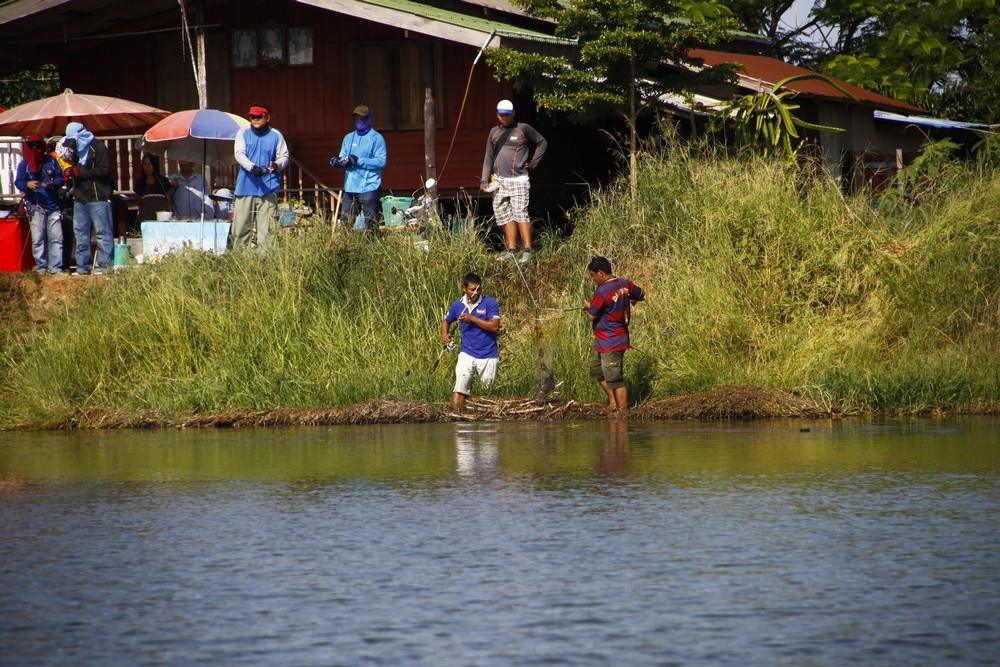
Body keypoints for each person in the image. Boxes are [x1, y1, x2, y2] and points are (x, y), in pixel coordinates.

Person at [480, 98, 547, 265]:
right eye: (502, 115)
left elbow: (542, 142)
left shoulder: (523, 129)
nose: (504, 118)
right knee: (503, 214)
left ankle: (527, 251)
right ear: (497, 115)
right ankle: (511, 250)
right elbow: (488, 157)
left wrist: (533, 163)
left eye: (507, 115)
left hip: (519, 179)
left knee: (520, 213)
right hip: (499, 180)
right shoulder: (493, 132)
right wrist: (484, 179)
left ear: (513, 114)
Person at [583, 256, 644, 416]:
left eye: (593, 276)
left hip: (612, 341)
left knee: (615, 379)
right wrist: (632, 298)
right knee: (597, 370)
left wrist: (588, 307)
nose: (593, 279)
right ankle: (613, 402)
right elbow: (641, 294)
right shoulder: (625, 283)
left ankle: (623, 412)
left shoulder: (602, 291)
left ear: (601, 273)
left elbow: (591, 315)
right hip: (604, 341)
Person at [441, 272, 501, 412]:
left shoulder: (489, 303)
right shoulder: (457, 305)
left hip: (489, 355)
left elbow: (494, 326)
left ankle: (484, 427)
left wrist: (472, 319)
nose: (475, 292)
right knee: (460, 387)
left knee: (487, 394)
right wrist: (445, 335)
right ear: (464, 288)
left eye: (478, 289)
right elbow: (446, 320)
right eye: (472, 289)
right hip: (467, 353)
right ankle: (457, 419)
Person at [233, 102, 289, 249]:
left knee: (268, 232)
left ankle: (266, 267)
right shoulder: (243, 133)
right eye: (252, 117)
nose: (255, 119)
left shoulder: (276, 135)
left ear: (267, 117)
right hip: (245, 187)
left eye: (259, 117)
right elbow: (239, 154)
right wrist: (252, 167)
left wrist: (277, 165)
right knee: (240, 230)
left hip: (268, 189)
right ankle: (238, 264)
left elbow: (284, 156)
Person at [63, 121, 114, 275]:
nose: (72, 144)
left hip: (98, 197)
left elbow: (104, 170)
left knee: (102, 233)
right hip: (80, 198)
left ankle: (105, 267)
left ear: (81, 135)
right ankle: (82, 267)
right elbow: (76, 170)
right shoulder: (75, 150)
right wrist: (70, 171)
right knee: (81, 234)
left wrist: (81, 172)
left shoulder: (98, 147)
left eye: (73, 140)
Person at [330, 104, 387, 233]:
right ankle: (346, 251)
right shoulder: (348, 138)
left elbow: (381, 161)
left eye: (362, 118)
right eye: (356, 119)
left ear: (369, 119)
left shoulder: (376, 138)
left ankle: (373, 250)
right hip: (350, 187)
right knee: (345, 224)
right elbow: (343, 157)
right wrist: (339, 162)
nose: (359, 121)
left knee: (371, 225)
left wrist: (359, 161)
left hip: (369, 187)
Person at [14, 133, 64, 274]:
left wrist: (53, 184)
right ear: (28, 147)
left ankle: (55, 267)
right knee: (38, 239)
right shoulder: (24, 164)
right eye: (32, 145)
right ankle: (41, 267)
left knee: (56, 238)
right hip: (35, 205)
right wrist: (27, 184)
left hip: (52, 205)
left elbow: (61, 179)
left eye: (38, 144)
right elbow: (18, 181)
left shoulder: (51, 161)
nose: (35, 148)